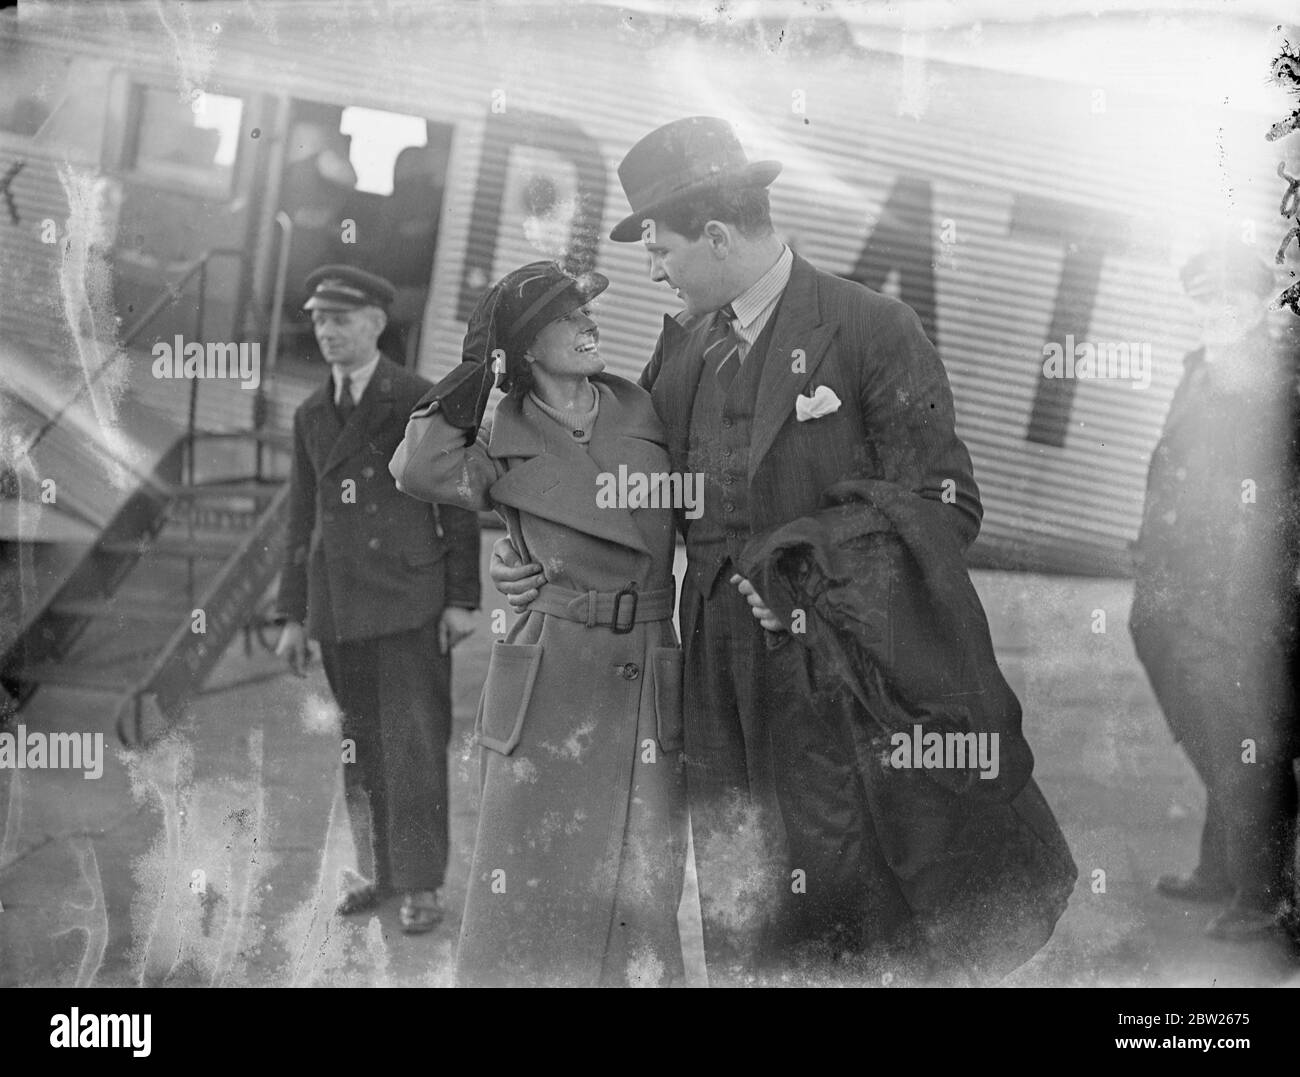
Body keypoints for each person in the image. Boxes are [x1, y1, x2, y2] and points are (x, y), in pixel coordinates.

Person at [491, 116, 1075, 983]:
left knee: (851, 883)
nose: (652, 267)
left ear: (718, 234)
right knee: (742, 884)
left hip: (836, 666)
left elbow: (946, 502)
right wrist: (541, 556)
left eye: (660, 246)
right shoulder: (682, 347)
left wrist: (809, 573)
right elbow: (625, 492)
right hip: (713, 670)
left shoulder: (873, 327)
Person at [389, 261, 688, 987]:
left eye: (587, 311)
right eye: (566, 317)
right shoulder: (498, 430)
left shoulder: (644, 404)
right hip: (549, 671)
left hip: (644, 666)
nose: (589, 325)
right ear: (523, 350)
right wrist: (474, 373)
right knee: (528, 879)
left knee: (639, 888)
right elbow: (418, 469)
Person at [275, 264, 481, 934]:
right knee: (360, 747)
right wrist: (291, 615)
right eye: (318, 319)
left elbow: (456, 503)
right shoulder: (311, 413)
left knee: (413, 745)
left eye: (340, 318)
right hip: (340, 610)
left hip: (410, 604)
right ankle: (379, 871)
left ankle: (420, 883)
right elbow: (300, 519)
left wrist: (460, 599)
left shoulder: (417, 398)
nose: (326, 331)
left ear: (375, 322)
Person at [1130, 248, 1299, 941]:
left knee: (1243, 733)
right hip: (1179, 584)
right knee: (1211, 721)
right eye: (1206, 304)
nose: (1217, 315)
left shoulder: (1277, 385)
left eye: (1231, 304)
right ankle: (1222, 867)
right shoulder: (1199, 370)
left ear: (1260, 307)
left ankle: (1265, 895)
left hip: (1239, 592)